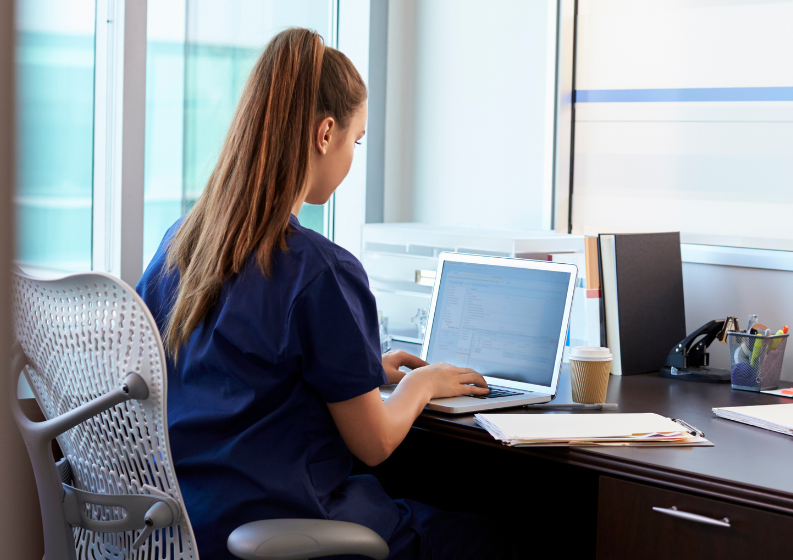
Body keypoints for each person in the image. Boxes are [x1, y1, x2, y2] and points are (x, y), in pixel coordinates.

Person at [137, 28, 517, 560]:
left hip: (187, 527)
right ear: (325, 133)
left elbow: (228, 369)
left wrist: (364, 370)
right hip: (282, 525)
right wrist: (422, 384)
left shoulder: (181, 245)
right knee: (497, 538)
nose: (352, 156)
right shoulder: (320, 270)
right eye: (356, 141)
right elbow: (375, 442)